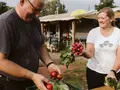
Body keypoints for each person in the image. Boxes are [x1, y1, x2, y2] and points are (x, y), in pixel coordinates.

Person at [0, 0, 61, 90]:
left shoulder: (35, 21)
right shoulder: (5, 22)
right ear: (22, 2)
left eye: (39, 11)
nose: (37, 15)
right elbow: (1, 62)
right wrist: (32, 75)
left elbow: (40, 45)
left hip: (30, 80)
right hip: (10, 83)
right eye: (35, 9)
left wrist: (49, 63)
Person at [81, 7, 120, 89]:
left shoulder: (118, 33)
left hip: (114, 72)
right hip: (94, 72)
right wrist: (83, 52)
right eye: (98, 18)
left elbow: (119, 58)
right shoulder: (93, 33)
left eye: (102, 18)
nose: (99, 20)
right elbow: (90, 54)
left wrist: (113, 72)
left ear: (111, 19)